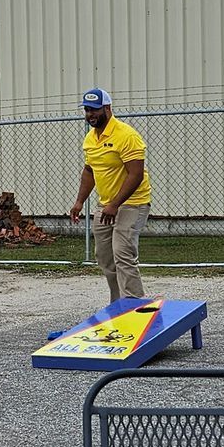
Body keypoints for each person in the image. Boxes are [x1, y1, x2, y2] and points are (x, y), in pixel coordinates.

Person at [69, 88, 150, 304]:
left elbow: (136, 174)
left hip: (132, 203)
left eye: (94, 110)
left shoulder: (126, 135)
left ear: (107, 108)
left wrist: (115, 204)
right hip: (105, 204)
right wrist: (79, 202)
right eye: (87, 110)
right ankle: (118, 303)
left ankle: (134, 303)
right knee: (104, 256)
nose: (90, 115)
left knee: (122, 252)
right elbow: (89, 171)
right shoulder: (90, 139)